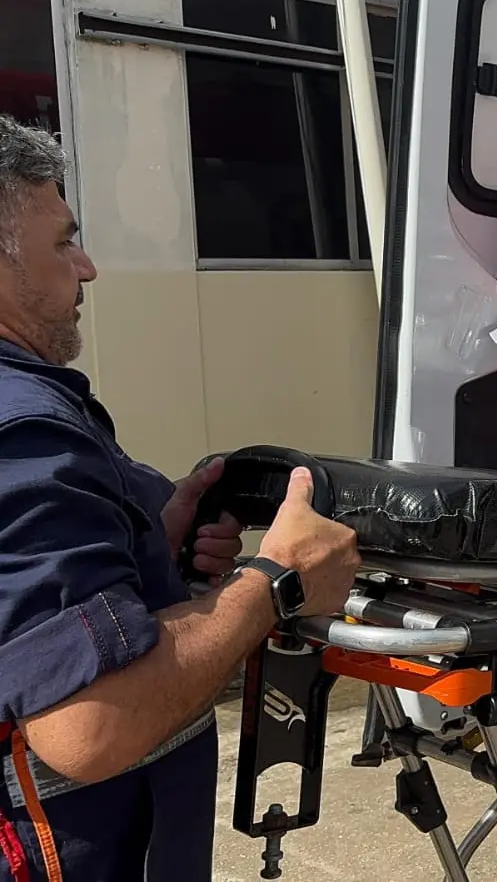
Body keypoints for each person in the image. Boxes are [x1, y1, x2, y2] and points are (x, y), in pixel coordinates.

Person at [0, 114, 363, 881]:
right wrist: (277, 581)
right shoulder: (24, 432)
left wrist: (146, 545)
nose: (87, 268)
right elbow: (87, 724)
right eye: (64, 243)